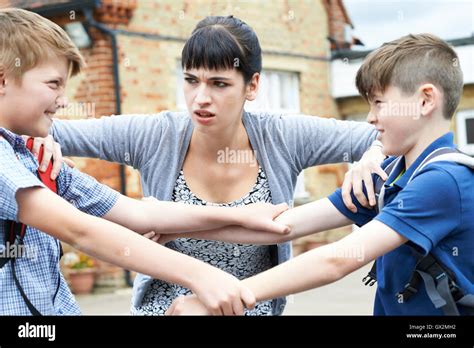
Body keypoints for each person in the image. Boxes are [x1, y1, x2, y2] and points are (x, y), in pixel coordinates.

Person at [39, 15, 384, 315]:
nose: (200, 98)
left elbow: (390, 134)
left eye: (219, 84)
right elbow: (32, 125)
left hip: (249, 307)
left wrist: (373, 154)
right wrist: (45, 139)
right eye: (191, 80)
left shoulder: (283, 135)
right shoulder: (155, 134)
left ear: (252, 85)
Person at [0, 8, 291, 316]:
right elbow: (82, 231)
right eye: (53, 84)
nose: (64, 99)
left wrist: (239, 215)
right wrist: (201, 274)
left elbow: (139, 213)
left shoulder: (31, 156)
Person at [166, 33, 474, 316]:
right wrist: (178, 229)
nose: (370, 117)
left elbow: (336, 260)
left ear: (425, 100)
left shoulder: (443, 181)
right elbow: (280, 227)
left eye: (379, 102)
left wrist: (226, 296)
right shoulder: (391, 173)